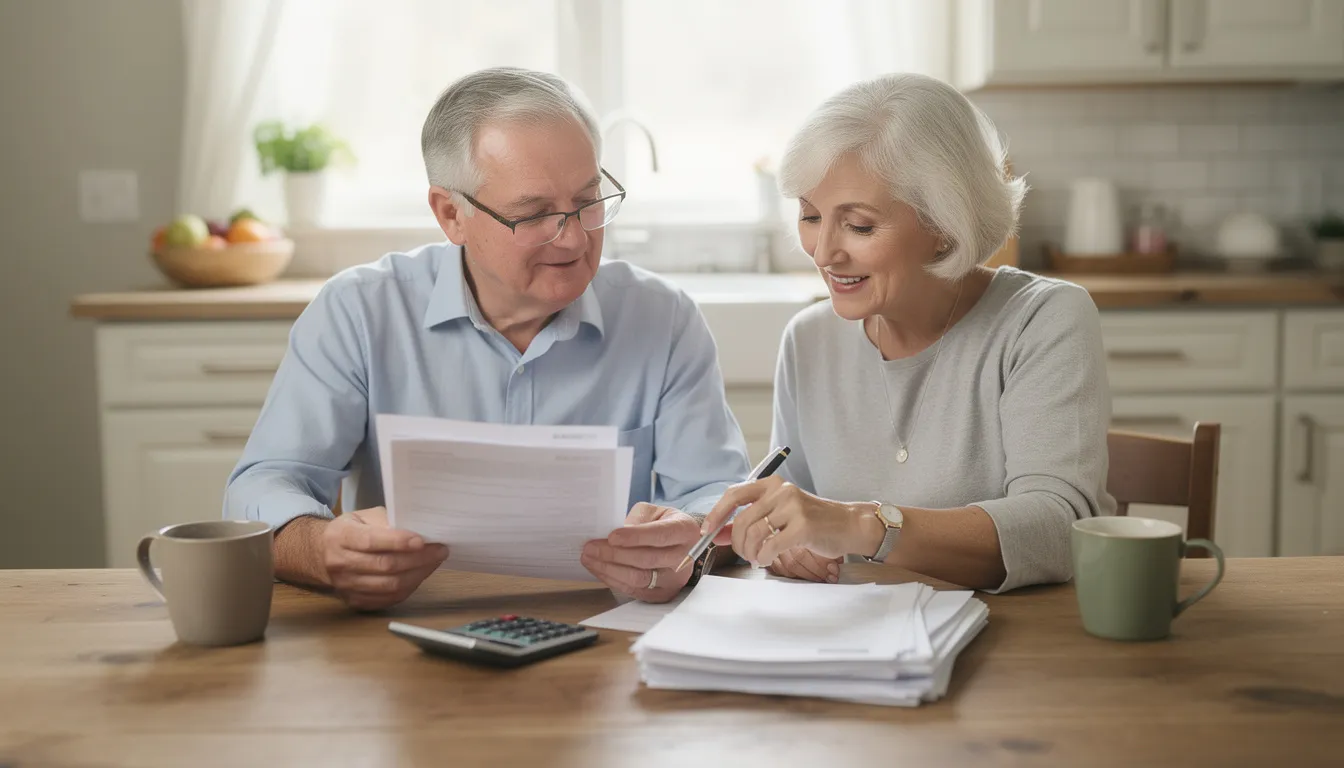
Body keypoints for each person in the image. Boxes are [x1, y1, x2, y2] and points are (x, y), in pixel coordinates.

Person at [225, 67, 751, 609]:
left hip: (608, 635)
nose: (573, 237)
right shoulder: (359, 311)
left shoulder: (663, 318)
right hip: (404, 637)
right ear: (451, 214)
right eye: (535, 214)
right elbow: (263, 485)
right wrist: (321, 549)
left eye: (588, 200)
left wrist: (689, 543)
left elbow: (720, 500)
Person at [701, 73, 1115, 593]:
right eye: (810, 216)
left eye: (860, 226)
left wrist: (860, 525)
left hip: (1014, 647)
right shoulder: (808, 340)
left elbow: (1059, 528)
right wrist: (783, 544)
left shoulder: (1043, 319)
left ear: (944, 222)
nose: (824, 252)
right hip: (854, 643)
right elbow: (795, 507)